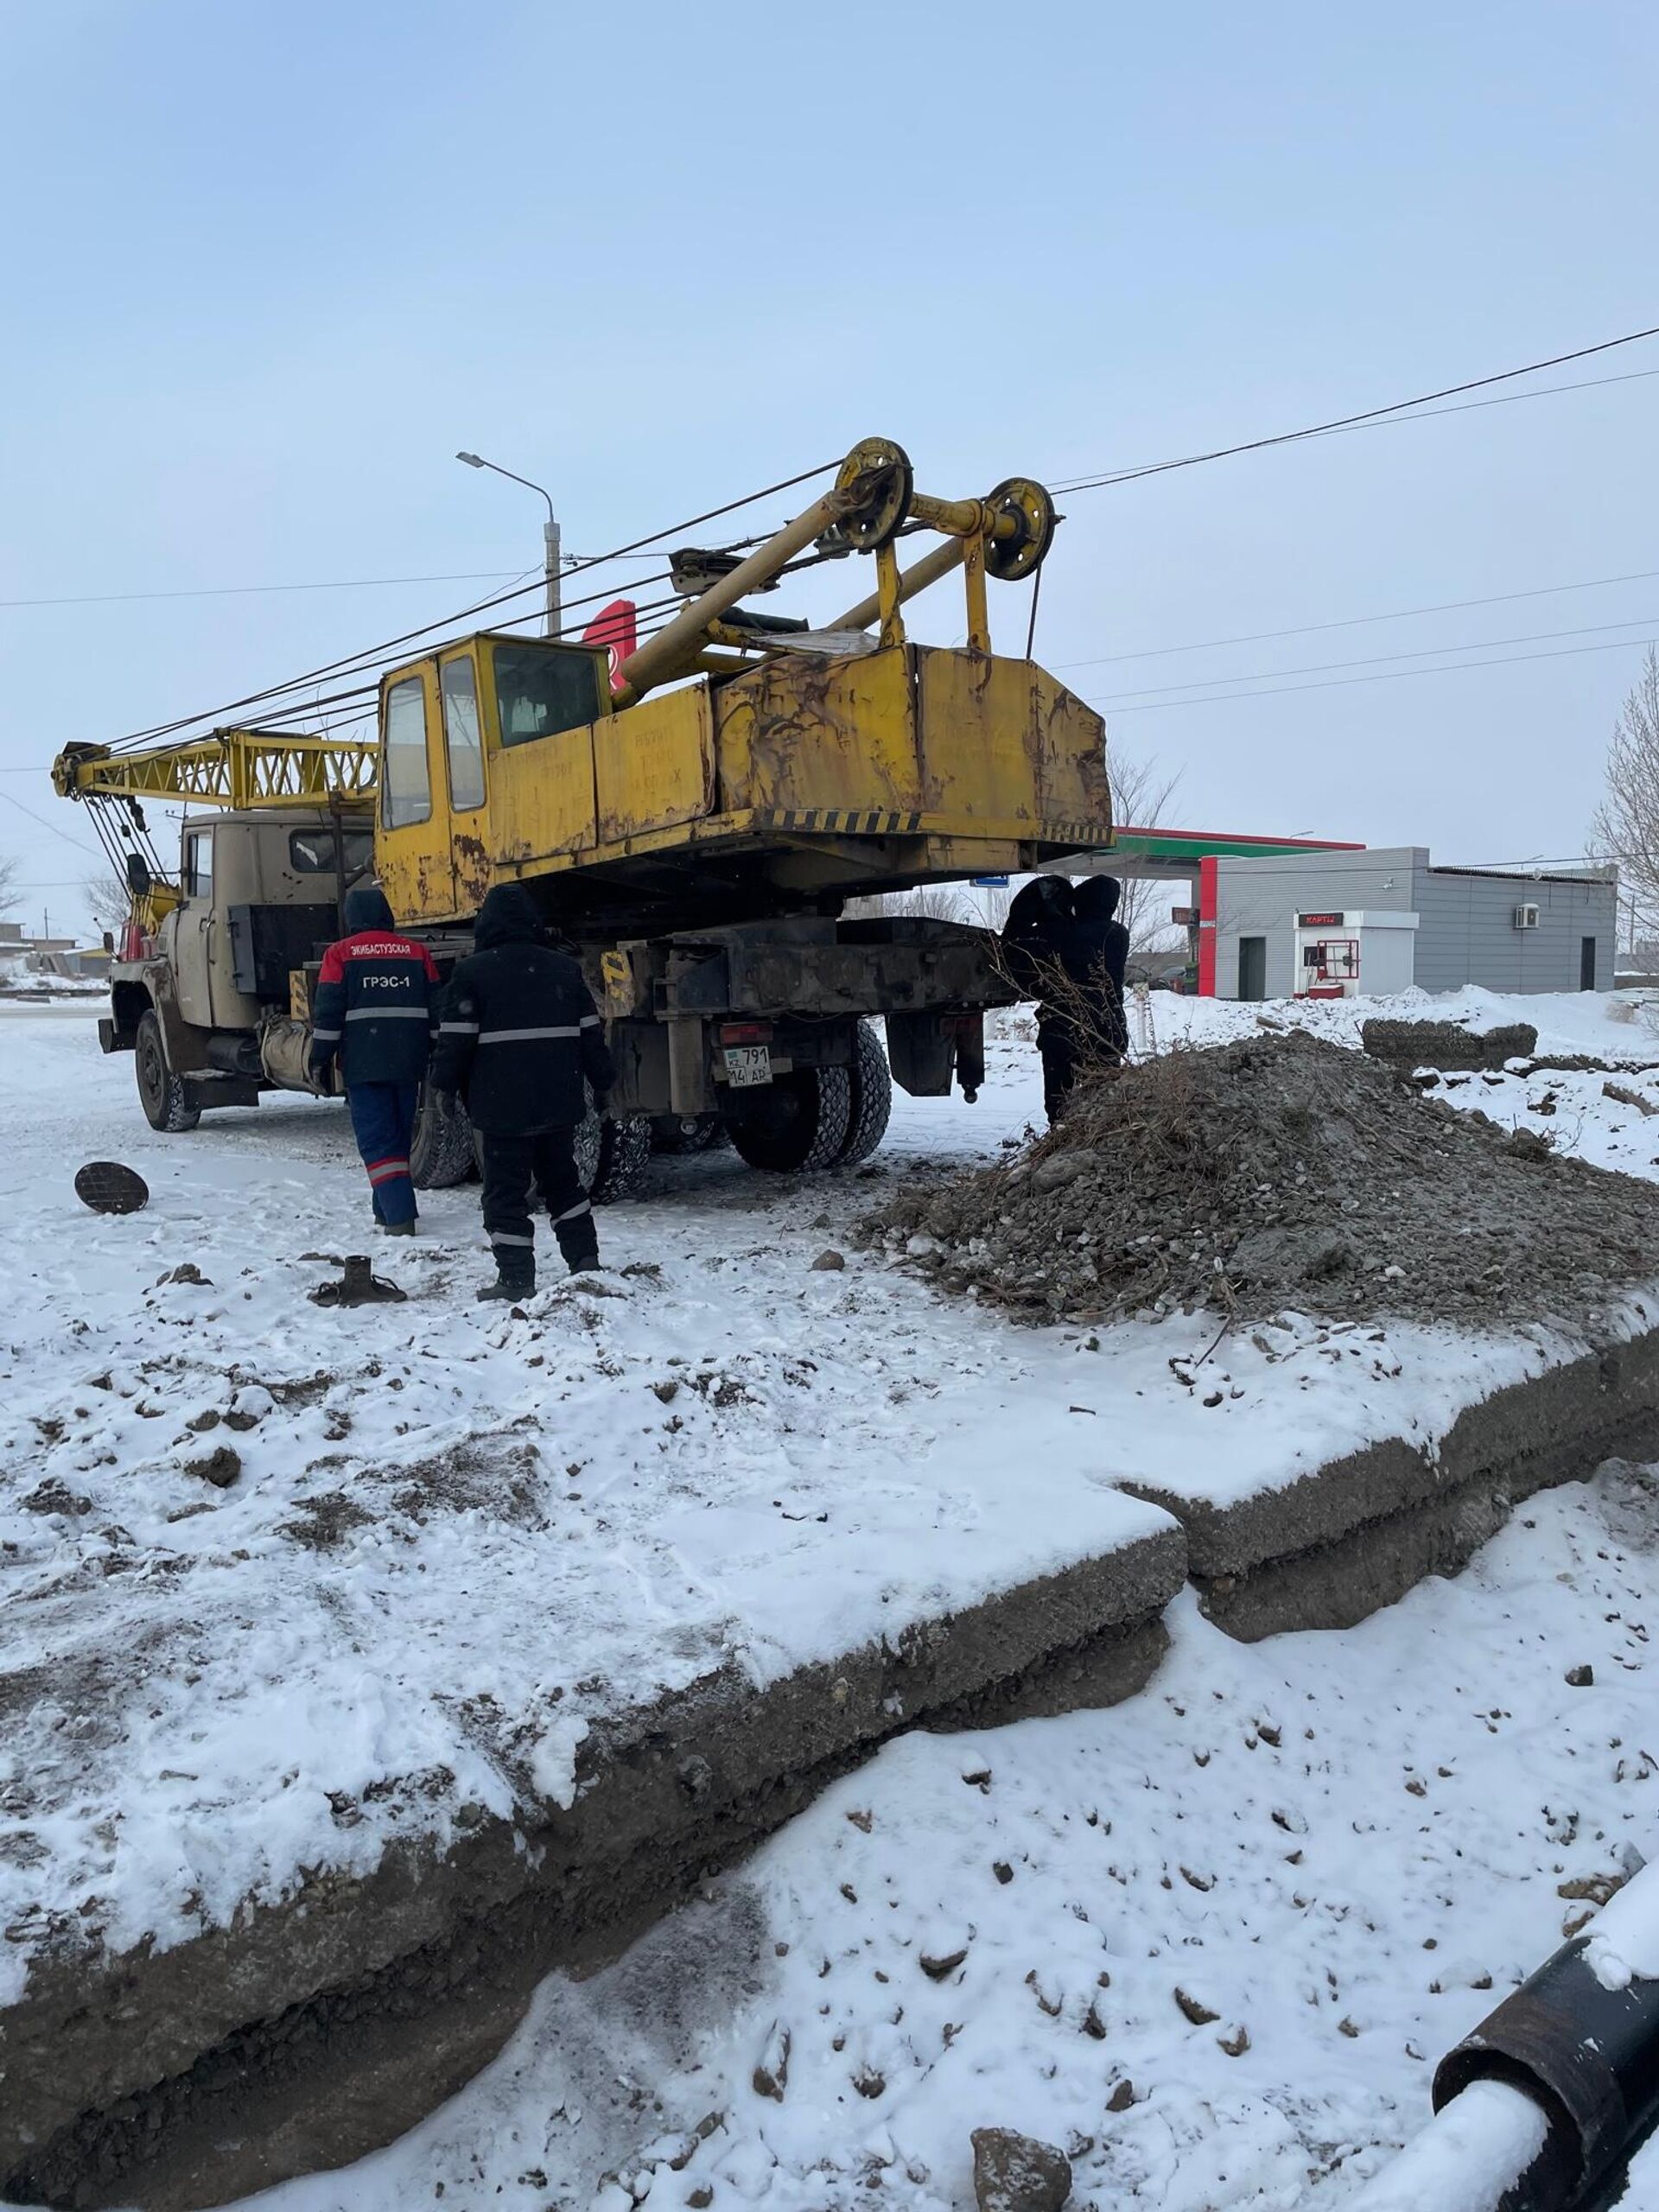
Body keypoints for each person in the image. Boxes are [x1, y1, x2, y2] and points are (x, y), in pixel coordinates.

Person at [429, 883, 617, 1300]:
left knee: (504, 1193)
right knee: (564, 1183)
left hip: (501, 1107)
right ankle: (584, 1260)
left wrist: (443, 1086)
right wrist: (604, 1085)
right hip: (557, 1100)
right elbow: (591, 1037)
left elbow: (455, 1041)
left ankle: (515, 1279)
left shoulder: (472, 973)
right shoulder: (563, 970)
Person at [308, 883, 441, 1236]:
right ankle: (384, 1211)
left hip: (364, 1065)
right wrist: (435, 1056)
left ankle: (400, 1219)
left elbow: (328, 1017)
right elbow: (435, 1012)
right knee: (397, 1137)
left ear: (351, 918)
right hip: (409, 1062)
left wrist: (317, 1061)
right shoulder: (417, 953)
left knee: (376, 1141)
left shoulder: (339, 955)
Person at [1001, 875, 1077, 1124]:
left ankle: (1061, 1132)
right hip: (1103, 1027)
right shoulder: (1101, 933)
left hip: (1058, 1028)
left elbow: (1013, 958)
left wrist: (1022, 917)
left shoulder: (1035, 940)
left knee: (1059, 1098)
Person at [1062, 874, 1131, 1063]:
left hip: (1067, 1024)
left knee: (1061, 1089)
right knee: (1105, 1087)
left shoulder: (1070, 932)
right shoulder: (1119, 933)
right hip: (1110, 1023)